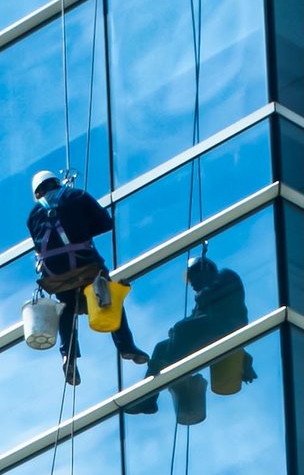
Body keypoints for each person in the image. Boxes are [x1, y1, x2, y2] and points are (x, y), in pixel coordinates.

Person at [28, 172, 149, 386]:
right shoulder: (76, 195)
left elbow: (40, 243)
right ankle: (126, 346)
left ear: (38, 193)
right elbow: (106, 223)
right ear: (56, 182)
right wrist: (82, 229)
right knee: (106, 292)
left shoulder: (33, 214)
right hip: (85, 264)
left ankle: (68, 355)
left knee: (66, 306)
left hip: (55, 273)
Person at [128, 253, 255, 416]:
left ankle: (171, 365)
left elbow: (207, 298)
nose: (192, 284)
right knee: (161, 346)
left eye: (193, 278)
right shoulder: (204, 296)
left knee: (181, 329)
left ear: (205, 270)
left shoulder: (226, 276)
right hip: (211, 331)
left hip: (226, 326)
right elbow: (194, 318)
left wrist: (180, 328)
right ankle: (148, 399)